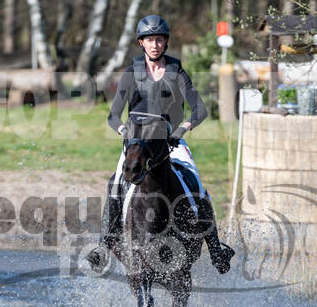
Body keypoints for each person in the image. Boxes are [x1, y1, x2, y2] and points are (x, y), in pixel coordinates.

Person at [87, 14, 235, 274]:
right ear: (141, 43)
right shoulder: (132, 72)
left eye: (158, 40)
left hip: (171, 141)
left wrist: (181, 130)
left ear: (165, 43)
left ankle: (216, 250)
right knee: (115, 182)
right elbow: (113, 116)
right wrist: (125, 132)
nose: (154, 44)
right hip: (137, 144)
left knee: (197, 185)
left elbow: (199, 110)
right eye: (149, 40)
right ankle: (103, 246)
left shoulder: (176, 71)